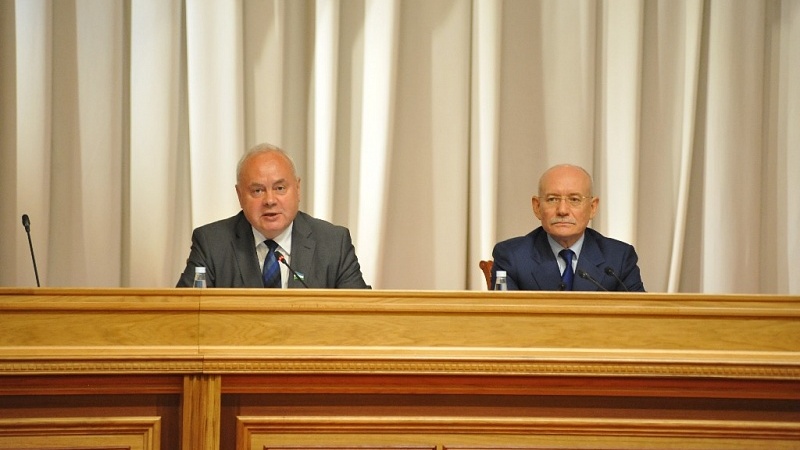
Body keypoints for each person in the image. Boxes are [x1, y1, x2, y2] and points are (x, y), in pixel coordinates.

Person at [176, 143, 369, 289]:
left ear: (298, 189)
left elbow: (361, 314)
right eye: (258, 191)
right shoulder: (211, 244)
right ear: (240, 195)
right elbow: (184, 314)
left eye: (280, 188)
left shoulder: (333, 243)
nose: (270, 200)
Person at [491, 164, 645, 291]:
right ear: (537, 207)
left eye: (574, 199)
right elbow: (505, 315)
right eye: (552, 199)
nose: (562, 210)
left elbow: (638, 314)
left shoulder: (619, 258)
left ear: (592, 207)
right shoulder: (512, 256)